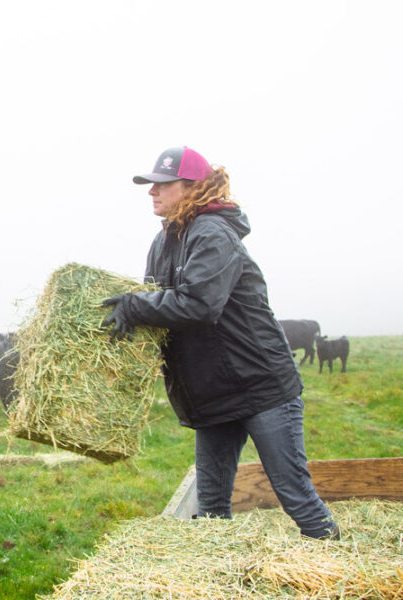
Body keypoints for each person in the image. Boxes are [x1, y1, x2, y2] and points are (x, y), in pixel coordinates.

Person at [101, 146, 339, 539]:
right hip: (212, 394)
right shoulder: (163, 243)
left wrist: (136, 307)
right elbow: (156, 308)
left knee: (294, 494)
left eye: (162, 184)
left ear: (191, 187)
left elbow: (198, 304)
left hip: (261, 386)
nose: (151, 192)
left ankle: (339, 568)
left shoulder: (213, 232)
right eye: (150, 184)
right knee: (211, 511)